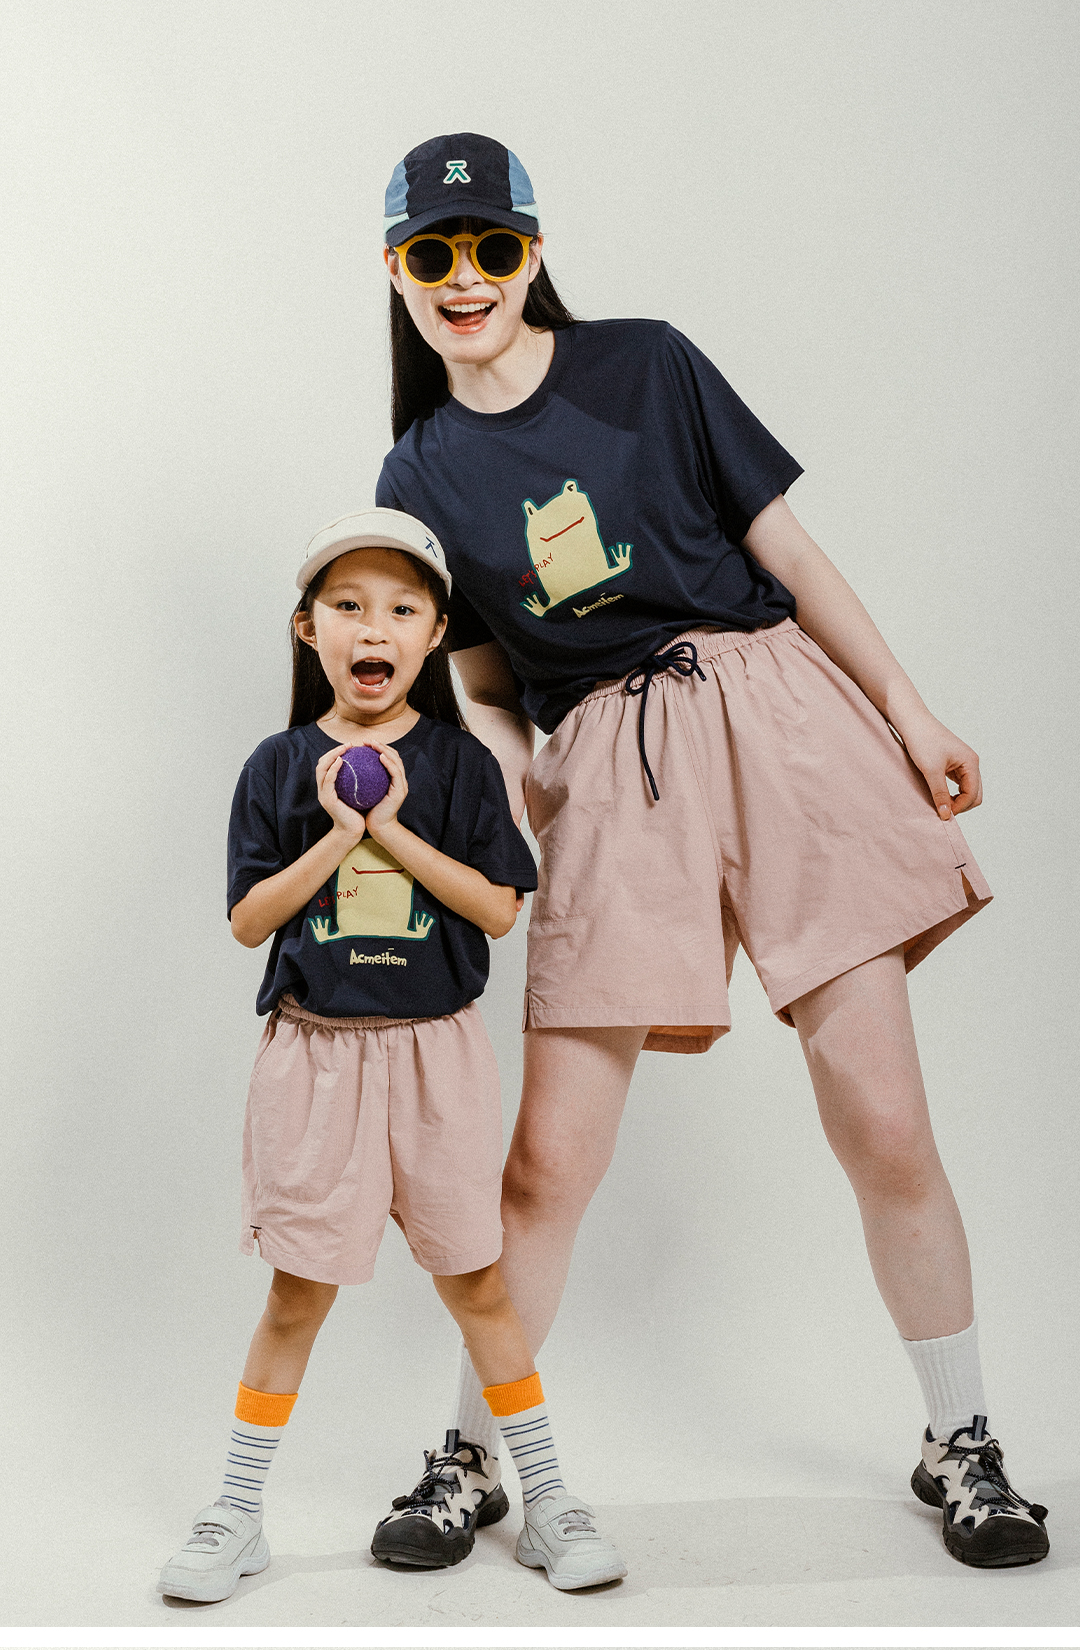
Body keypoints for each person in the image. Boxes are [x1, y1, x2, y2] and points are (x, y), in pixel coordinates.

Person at [373, 133, 1050, 1571]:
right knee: (548, 1163)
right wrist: (517, 767)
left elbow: (788, 552)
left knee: (884, 1118)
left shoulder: (648, 363)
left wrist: (910, 706)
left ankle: (963, 1440)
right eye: (435, 254)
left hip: (778, 714)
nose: (466, 277)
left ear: (532, 252)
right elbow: (480, 679)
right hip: (612, 764)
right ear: (397, 272)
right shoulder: (419, 470)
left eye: (492, 247)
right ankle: (472, 1458)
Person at [156, 509, 626, 1603]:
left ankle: (549, 1501)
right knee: (296, 1294)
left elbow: (499, 910)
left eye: (403, 609)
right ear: (308, 629)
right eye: (349, 607)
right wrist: (335, 828)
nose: (376, 628)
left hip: (436, 1058)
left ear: (434, 633)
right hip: (313, 1058)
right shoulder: (278, 764)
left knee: (479, 1285)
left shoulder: (460, 763)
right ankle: (237, 1512)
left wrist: (391, 828)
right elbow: (249, 920)